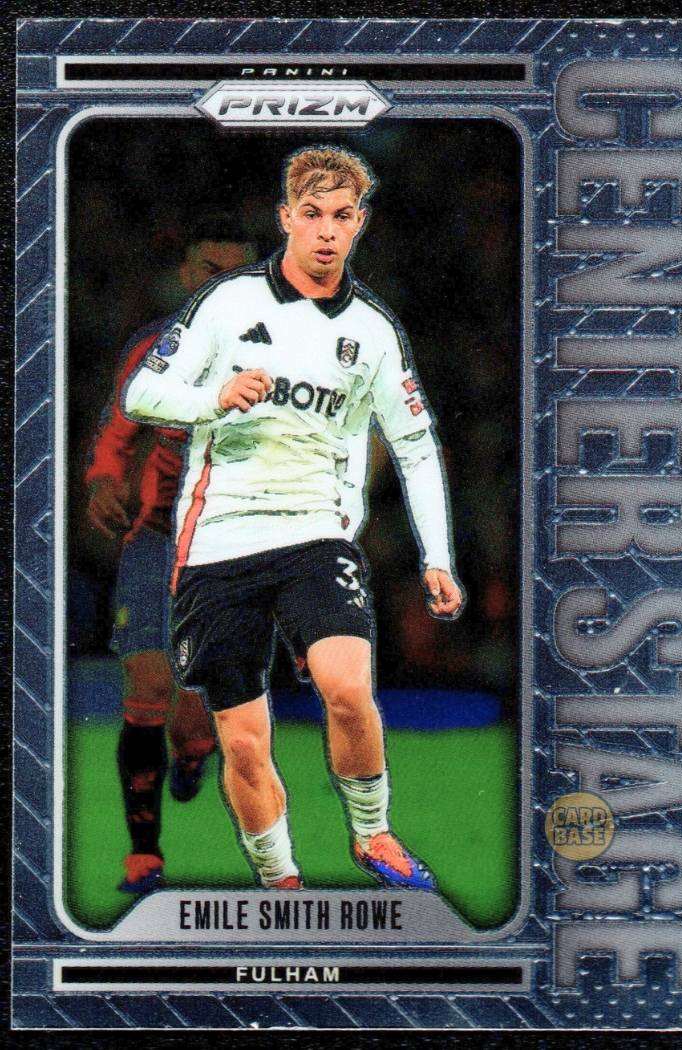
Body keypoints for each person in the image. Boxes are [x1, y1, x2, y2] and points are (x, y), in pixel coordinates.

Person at [123, 147, 464, 891]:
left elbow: (414, 446)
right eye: (312, 214)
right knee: (245, 743)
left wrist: (437, 556)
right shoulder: (228, 304)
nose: (326, 231)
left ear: (360, 223)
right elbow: (141, 394)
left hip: (315, 533)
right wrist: (213, 398)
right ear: (286, 218)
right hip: (217, 544)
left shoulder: (373, 331)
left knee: (347, 688)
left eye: (342, 216)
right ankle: (281, 882)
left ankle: (372, 834)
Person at [86, 217, 250, 893]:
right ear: (185, 276)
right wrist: (101, 480)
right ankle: (143, 857)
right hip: (154, 540)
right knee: (149, 685)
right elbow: (117, 428)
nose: (221, 284)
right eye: (210, 270)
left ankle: (194, 748)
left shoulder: (284, 353)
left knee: (192, 714)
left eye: (236, 273)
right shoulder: (154, 347)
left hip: (231, 547)